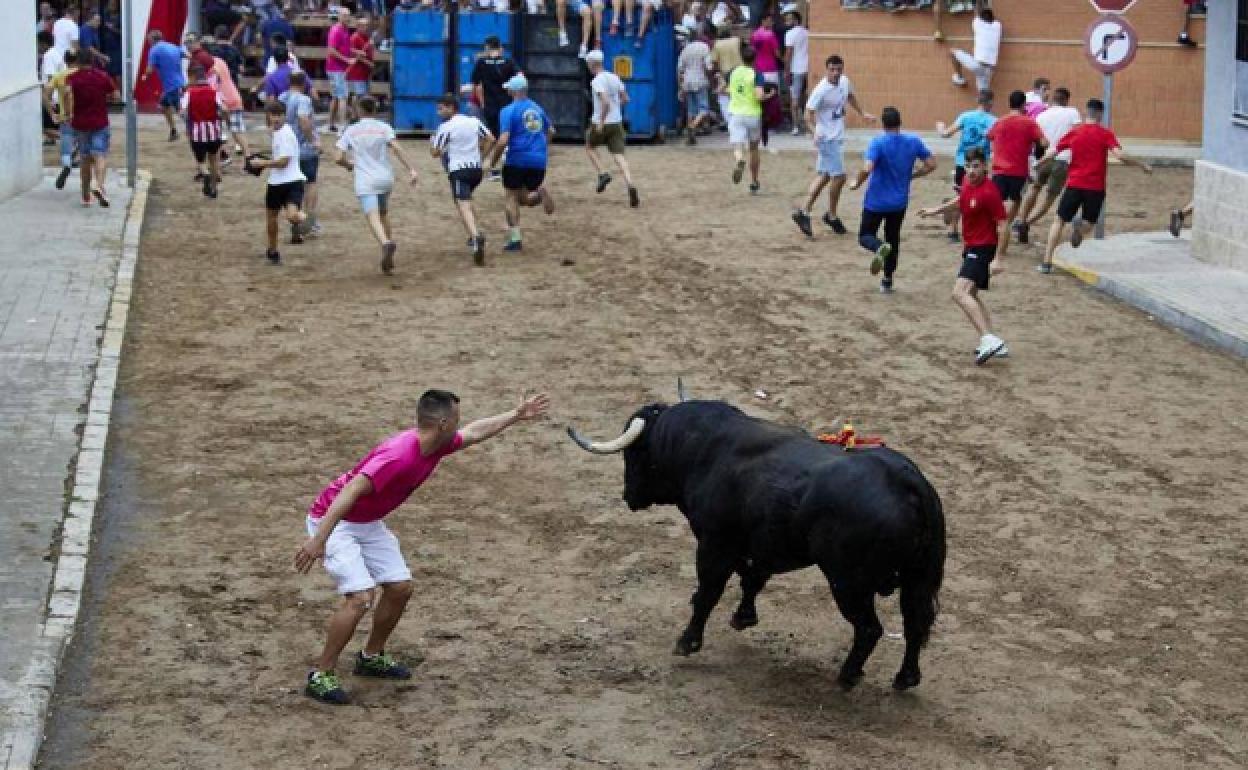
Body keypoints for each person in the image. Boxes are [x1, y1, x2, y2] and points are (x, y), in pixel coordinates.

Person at [295, 390, 551, 705]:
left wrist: (515, 414)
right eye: (456, 418)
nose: (460, 424)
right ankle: (321, 674)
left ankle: (371, 656)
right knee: (361, 597)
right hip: (335, 520)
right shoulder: (399, 455)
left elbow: (473, 433)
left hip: (366, 521)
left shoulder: (435, 444)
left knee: (400, 587)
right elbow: (349, 491)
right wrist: (319, 539)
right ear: (443, 423)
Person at [918, 147, 1010, 365]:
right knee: (972, 296)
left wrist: (999, 259)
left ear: (985, 166)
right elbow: (961, 199)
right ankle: (994, 340)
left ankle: (989, 339)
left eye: (976, 166)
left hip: (983, 249)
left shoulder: (990, 193)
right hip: (972, 247)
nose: (971, 171)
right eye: (968, 166)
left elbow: (1004, 226)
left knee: (959, 293)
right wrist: (936, 210)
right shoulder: (968, 183)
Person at [1039, 98, 1152, 274]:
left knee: (1059, 220)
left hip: (1074, 184)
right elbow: (1120, 156)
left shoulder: (1075, 132)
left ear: (1086, 112)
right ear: (1100, 114)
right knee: (1090, 223)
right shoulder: (1105, 134)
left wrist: (1040, 162)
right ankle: (1080, 229)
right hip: (1095, 187)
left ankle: (1046, 262)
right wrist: (1141, 164)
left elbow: (1054, 150)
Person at [848, 106, 937, 293]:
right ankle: (887, 280)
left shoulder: (878, 143)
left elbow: (868, 167)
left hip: (876, 201)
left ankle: (879, 247)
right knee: (893, 238)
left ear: (883, 124)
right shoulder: (913, 141)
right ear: (900, 122)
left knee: (865, 236)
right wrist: (914, 175)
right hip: (898, 202)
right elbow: (931, 164)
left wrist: (856, 182)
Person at [335, 96, 421, 274]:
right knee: (383, 214)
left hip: (365, 180)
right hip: (385, 178)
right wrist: (411, 169)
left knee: (372, 217)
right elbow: (397, 148)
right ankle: (389, 256)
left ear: (358, 110)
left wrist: (348, 165)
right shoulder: (384, 127)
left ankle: (385, 243)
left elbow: (338, 157)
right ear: (374, 109)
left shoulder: (351, 130)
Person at [792, 54, 875, 238]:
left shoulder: (844, 82)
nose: (836, 73)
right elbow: (807, 114)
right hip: (827, 138)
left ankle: (804, 212)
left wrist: (862, 113)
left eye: (839, 69)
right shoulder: (821, 90)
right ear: (826, 69)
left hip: (836, 137)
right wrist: (814, 132)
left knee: (824, 176)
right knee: (839, 177)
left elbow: (850, 96)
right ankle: (831, 214)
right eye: (832, 70)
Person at [485, 75, 556, 252]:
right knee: (524, 199)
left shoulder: (508, 110)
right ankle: (539, 193)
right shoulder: (537, 108)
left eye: (509, 88)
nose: (507, 90)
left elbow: (502, 140)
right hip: (538, 161)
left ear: (514, 91)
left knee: (510, 196)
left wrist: (492, 162)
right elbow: (551, 130)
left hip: (516, 159)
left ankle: (515, 239)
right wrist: (542, 148)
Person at [432, 93, 495, 265]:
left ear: (451, 108)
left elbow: (435, 152)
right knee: (465, 201)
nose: (439, 113)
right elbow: (490, 139)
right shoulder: (473, 121)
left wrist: (435, 144)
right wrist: (482, 156)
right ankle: (473, 233)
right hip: (476, 170)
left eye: (441, 109)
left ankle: (475, 237)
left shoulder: (446, 127)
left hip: (458, 170)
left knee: (463, 204)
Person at [985, 90, 1045, 257]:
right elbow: (1044, 142)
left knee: (997, 201)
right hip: (1019, 171)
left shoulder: (1000, 121)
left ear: (1009, 104)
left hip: (999, 169)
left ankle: (997, 227)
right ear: (1023, 105)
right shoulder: (1029, 123)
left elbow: (988, 136)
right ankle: (1006, 225)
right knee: (1016, 199)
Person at [1017, 86, 1080, 244]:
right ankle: (1026, 223)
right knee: (1049, 198)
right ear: (1066, 100)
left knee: (1034, 188)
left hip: (1044, 158)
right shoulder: (1072, 112)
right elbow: (1078, 134)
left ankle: (1021, 219)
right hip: (1062, 159)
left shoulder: (1042, 116)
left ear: (1053, 100)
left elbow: (1037, 140)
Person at [935, 88, 995, 242]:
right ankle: (977, 229)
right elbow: (996, 143)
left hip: (963, 163)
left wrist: (940, 127)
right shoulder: (993, 121)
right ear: (991, 102)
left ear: (978, 100)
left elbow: (946, 134)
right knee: (980, 196)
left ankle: (952, 231)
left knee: (960, 195)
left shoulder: (966, 116)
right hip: (980, 165)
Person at [255, 101, 309, 264]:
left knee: (284, 216)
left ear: (284, 116)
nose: (276, 118)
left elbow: (283, 161)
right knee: (278, 217)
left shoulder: (286, 134)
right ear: (268, 116)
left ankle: (305, 219)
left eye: (279, 115)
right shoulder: (278, 131)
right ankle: (272, 249)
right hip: (283, 181)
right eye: (273, 115)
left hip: (287, 181)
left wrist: (262, 163)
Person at [585, 50, 640, 208]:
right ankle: (630, 183)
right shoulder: (614, 77)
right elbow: (625, 98)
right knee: (619, 156)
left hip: (601, 122)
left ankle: (603, 173)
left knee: (589, 147)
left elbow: (605, 102)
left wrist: (602, 120)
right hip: (616, 122)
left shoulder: (597, 81)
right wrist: (616, 107)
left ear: (591, 64)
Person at [66, 55, 117, 208]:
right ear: (93, 62)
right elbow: (115, 95)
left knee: (85, 159)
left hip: (80, 124)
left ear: (78, 63)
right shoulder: (103, 77)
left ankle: (85, 196)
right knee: (100, 155)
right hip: (100, 121)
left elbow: (68, 96)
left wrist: (69, 115)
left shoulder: (72, 78)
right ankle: (99, 185)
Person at [281, 72, 321, 238]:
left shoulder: (282, 97)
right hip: (304, 148)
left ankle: (295, 219)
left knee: (292, 186)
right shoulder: (303, 100)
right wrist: (313, 140)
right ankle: (308, 220)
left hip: (286, 148)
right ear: (304, 83)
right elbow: (304, 120)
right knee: (310, 183)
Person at [181, 64, 226, 198]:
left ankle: (205, 174)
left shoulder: (189, 93)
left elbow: (182, 111)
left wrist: (188, 120)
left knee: (201, 161)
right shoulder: (214, 92)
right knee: (214, 160)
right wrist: (221, 119)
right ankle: (213, 189)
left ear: (192, 77)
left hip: (197, 132)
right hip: (214, 130)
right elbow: (224, 109)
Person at [727, 46, 768, 194]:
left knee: (738, 145)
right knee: (754, 149)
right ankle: (754, 180)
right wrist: (768, 96)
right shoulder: (757, 74)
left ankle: (739, 160)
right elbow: (759, 95)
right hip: (753, 114)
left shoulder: (733, 72)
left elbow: (726, 89)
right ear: (755, 59)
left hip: (736, 113)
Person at [470, 35, 517, 150]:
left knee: (491, 135)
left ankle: (490, 160)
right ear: (500, 46)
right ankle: (505, 154)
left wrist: (482, 103)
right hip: (506, 104)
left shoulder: (481, 63)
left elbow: (477, 85)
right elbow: (520, 78)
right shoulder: (508, 61)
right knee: (506, 131)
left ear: (487, 47)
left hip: (490, 105)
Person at [143, 30, 187, 141]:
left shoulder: (154, 50)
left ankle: (194, 128)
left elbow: (149, 69)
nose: (148, 42)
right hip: (178, 83)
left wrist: (144, 76)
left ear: (152, 40)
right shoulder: (173, 46)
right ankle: (173, 130)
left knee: (180, 110)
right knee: (164, 106)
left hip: (172, 85)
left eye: (149, 40)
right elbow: (188, 55)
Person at [208, 47, 252, 158]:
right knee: (236, 129)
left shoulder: (210, 66)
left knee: (215, 129)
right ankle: (247, 155)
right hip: (233, 96)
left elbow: (214, 84)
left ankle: (223, 155)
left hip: (222, 99)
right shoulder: (221, 62)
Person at [45, 48, 79, 191]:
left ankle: (66, 165)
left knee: (66, 144)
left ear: (65, 61)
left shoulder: (59, 76)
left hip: (65, 117)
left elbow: (46, 94)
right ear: (78, 60)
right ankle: (77, 157)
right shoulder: (82, 74)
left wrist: (51, 112)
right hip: (83, 116)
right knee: (84, 143)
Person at [950, 1, 1000, 93]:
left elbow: (977, 9)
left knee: (952, 52)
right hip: (988, 70)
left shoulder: (977, 24)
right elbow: (983, 11)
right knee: (983, 93)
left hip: (977, 66)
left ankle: (959, 78)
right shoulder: (997, 26)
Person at [677, 32, 713, 144]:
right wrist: (710, 76)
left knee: (691, 110)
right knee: (704, 108)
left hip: (687, 81)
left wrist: (681, 86)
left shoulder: (685, 49)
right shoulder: (704, 47)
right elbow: (709, 66)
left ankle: (690, 138)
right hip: (700, 80)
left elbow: (680, 69)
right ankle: (693, 125)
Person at [709, 24, 744, 127]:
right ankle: (740, 120)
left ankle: (730, 123)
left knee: (724, 99)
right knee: (739, 95)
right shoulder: (737, 40)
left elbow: (714, 61)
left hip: (725, 73)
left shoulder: (717, 44)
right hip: (740, 72)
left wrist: (717, 73)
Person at [326, 11, 354, 132]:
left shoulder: (345, 29)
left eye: (348, 15)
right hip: (336, 68)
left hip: (337, 67)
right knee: (343, 96)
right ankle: (343, 125)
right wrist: (347, 60)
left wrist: (356, 53)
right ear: (339, 17)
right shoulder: (336, 30)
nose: (347, 18)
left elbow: (345, 48)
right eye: (344, 15)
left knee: (336, 97)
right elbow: (331, 50)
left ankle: (331, 123)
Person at [39, 31, 67, 150]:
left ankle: (72, 141)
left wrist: (48, 100)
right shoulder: (56, 53)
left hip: (54, 97)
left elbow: (51, 79)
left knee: (44, 127)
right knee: (57, 126)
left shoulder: (49, 56)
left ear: (43, 43)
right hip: (59, 95)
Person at [783, 8, 809, 136]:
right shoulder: (807, 32)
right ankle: (806, 124)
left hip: (796, 69)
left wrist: (786, 71)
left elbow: (789, 54)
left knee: (794, 99)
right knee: (805, 97)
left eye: (789, 19)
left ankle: (795, 126)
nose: (786, 21)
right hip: (807, 69)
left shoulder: (790, 34)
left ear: (796, 20)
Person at [347, 14, 376, 107]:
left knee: (364, 94)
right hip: (357, 71)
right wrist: (368, 62)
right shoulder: (354, 37)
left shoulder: (366, 37)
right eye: (363, 26)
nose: (366, 27)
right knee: (359, 95)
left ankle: (357, 114)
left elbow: (369, 50)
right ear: (358, 26)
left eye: (367, 25)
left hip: (365, 72)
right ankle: (354, 115)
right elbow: (351, 51)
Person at [750, 11, 781, 86]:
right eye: (770, 21)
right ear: (763, 21)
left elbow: (752, 51)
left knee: (760, 93)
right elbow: (777, 54)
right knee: (773, 93)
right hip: (771, 68)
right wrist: (783, 60)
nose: (771, 23)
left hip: (758, 68)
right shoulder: (771, 34)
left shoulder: (754, 34)